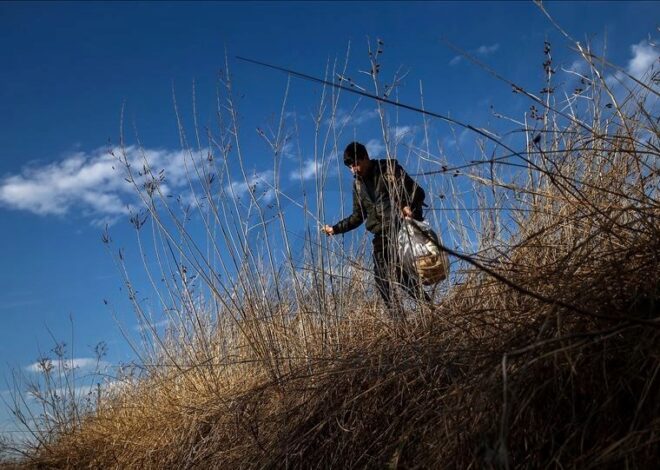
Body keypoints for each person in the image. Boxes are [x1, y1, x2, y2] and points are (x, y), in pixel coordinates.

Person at [322, 141, 432, 314]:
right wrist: (335, 229)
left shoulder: (388, 169)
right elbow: (358, 217)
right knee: (383, 280)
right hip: (380, 236)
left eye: (356, 164)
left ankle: (427, 309)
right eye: (350, 167)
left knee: (398, 275)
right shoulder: (357, 185)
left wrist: (406, 205)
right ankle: (403, 321)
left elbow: (418, 192)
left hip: (400, 228)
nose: (354, 169)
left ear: (366, 158)